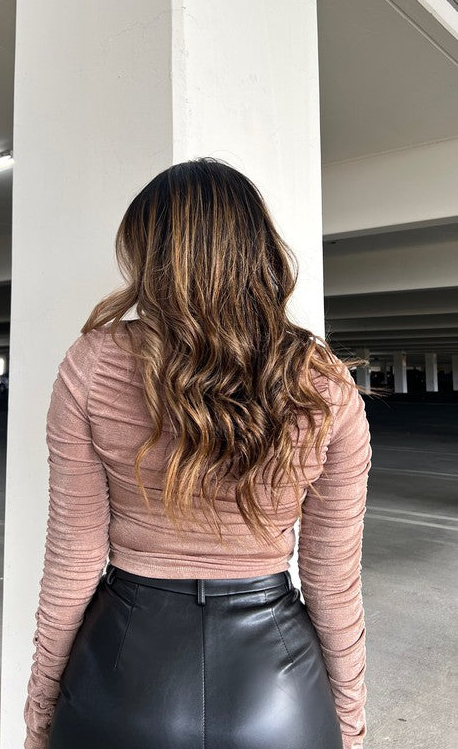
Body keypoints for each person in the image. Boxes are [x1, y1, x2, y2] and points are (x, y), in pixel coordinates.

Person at [23, 157, 372, 749]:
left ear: (149, 257)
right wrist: (349, 725)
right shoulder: (327, 387)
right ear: (259, 251)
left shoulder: (91, 364)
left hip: (123, 676)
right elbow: (332, 582)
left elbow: (74, 560)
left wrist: (41, 715)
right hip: (277, 694)